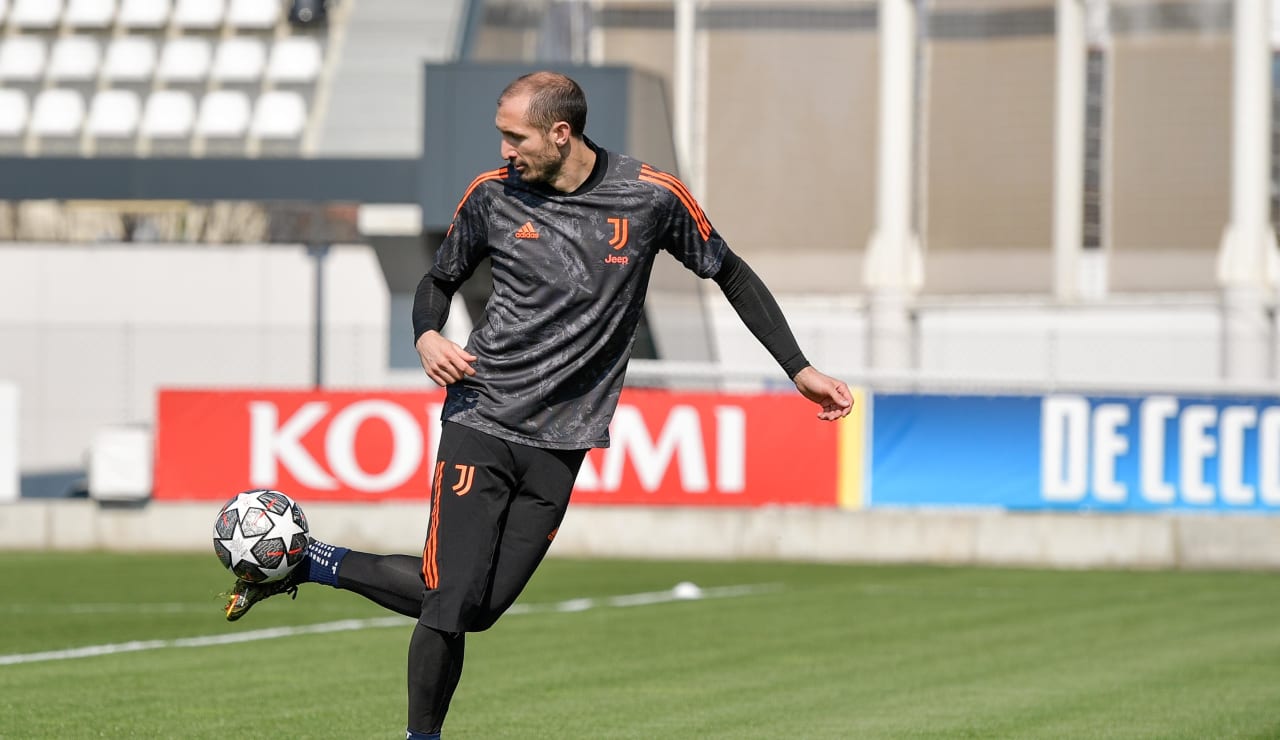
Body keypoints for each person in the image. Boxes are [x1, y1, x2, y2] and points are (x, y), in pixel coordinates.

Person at [222, 70, 853, 739]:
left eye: (514, 136)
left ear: (561, 133)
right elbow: (438, 279)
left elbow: (728, 269)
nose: (503, 150)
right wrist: (428, 333)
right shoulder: (492, 197)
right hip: (482, 418)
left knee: (479, 608)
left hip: (565, 440)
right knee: (449, 598)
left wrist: (799, 367)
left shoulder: (650, 197)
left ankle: (308, 560)